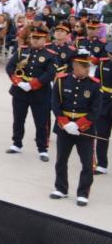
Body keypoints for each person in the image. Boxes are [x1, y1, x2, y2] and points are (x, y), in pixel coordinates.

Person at [49, 57, 101, 206]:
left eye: (86, 67)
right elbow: (55, 104)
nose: (87, 69)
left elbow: (96, 110)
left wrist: (79, 125)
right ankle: (61, 188)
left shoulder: (94, 85)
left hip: (84, 130)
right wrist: (65, 124)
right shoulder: (61, 81)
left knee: (87, 163)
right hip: (64, 127)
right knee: (61, 160)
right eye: (82, 67)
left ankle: (83, 193)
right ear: (74, 66)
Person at [6, 27, 56, 162]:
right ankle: (17, 143)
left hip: (40, 93)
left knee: (41, 122)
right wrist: (19, 82)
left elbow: (50, 74)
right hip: (20, 91)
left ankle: (42, 148)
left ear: (44, 39)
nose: (34, 40)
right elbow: (9, 67)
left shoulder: (50, 55)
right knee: (18, 119)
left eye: (38, 38)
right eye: (33, 37)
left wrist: (32, 85)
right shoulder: (22, 51)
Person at [95, 40, 112, 175]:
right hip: (105, 102)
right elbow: (96, 83)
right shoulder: (102, 64)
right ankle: (101, 164)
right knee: (101, 134)